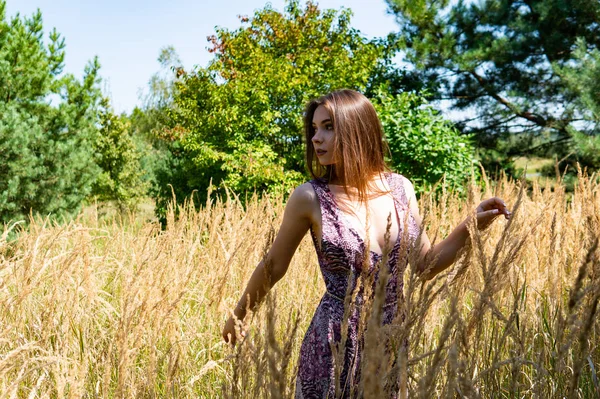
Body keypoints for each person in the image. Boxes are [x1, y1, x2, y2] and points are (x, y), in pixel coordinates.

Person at [222, 89, 510, 397]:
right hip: (332, 343)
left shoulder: (400, 189)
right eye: (314, 129)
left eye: (328, 126)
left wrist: (472, 225)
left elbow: (426, 266)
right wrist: (239, 315)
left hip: (389, 339)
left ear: (357, 128)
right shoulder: (309, 197)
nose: (316, 138)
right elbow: (273, 265)